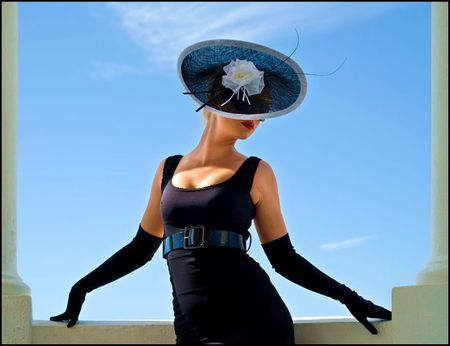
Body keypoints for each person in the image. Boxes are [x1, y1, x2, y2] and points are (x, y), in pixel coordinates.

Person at [50, 39, 392, 344]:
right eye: (250, 104)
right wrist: (82, 287)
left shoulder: (256, 171)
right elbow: (141, 248)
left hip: (256, 322)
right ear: (215, 99)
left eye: (263, 112)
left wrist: (351, 298)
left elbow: (285, 259)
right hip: (193, 327)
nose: (257, 119)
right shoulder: (167, 169)